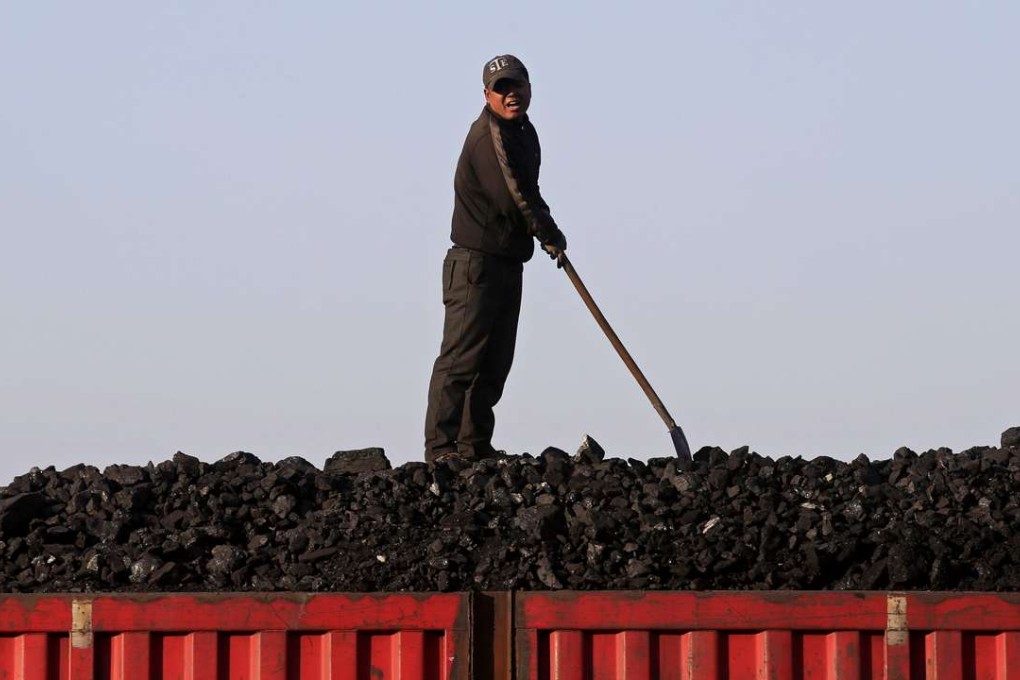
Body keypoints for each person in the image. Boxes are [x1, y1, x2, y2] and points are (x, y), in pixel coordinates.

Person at [423, 54, 567, 463]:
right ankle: (442, 449)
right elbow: (514, 198)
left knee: (495, 361)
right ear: (487, 95)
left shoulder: (524, 132)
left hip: (506, 261)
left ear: (529, 88)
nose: (511, 95)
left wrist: (549, 231)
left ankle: (474, 446)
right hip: (475, 265)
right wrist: (547, 233)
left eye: (516, 86)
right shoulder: (489, 139)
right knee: (461, 359)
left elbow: (530, 190)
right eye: (501, 89)